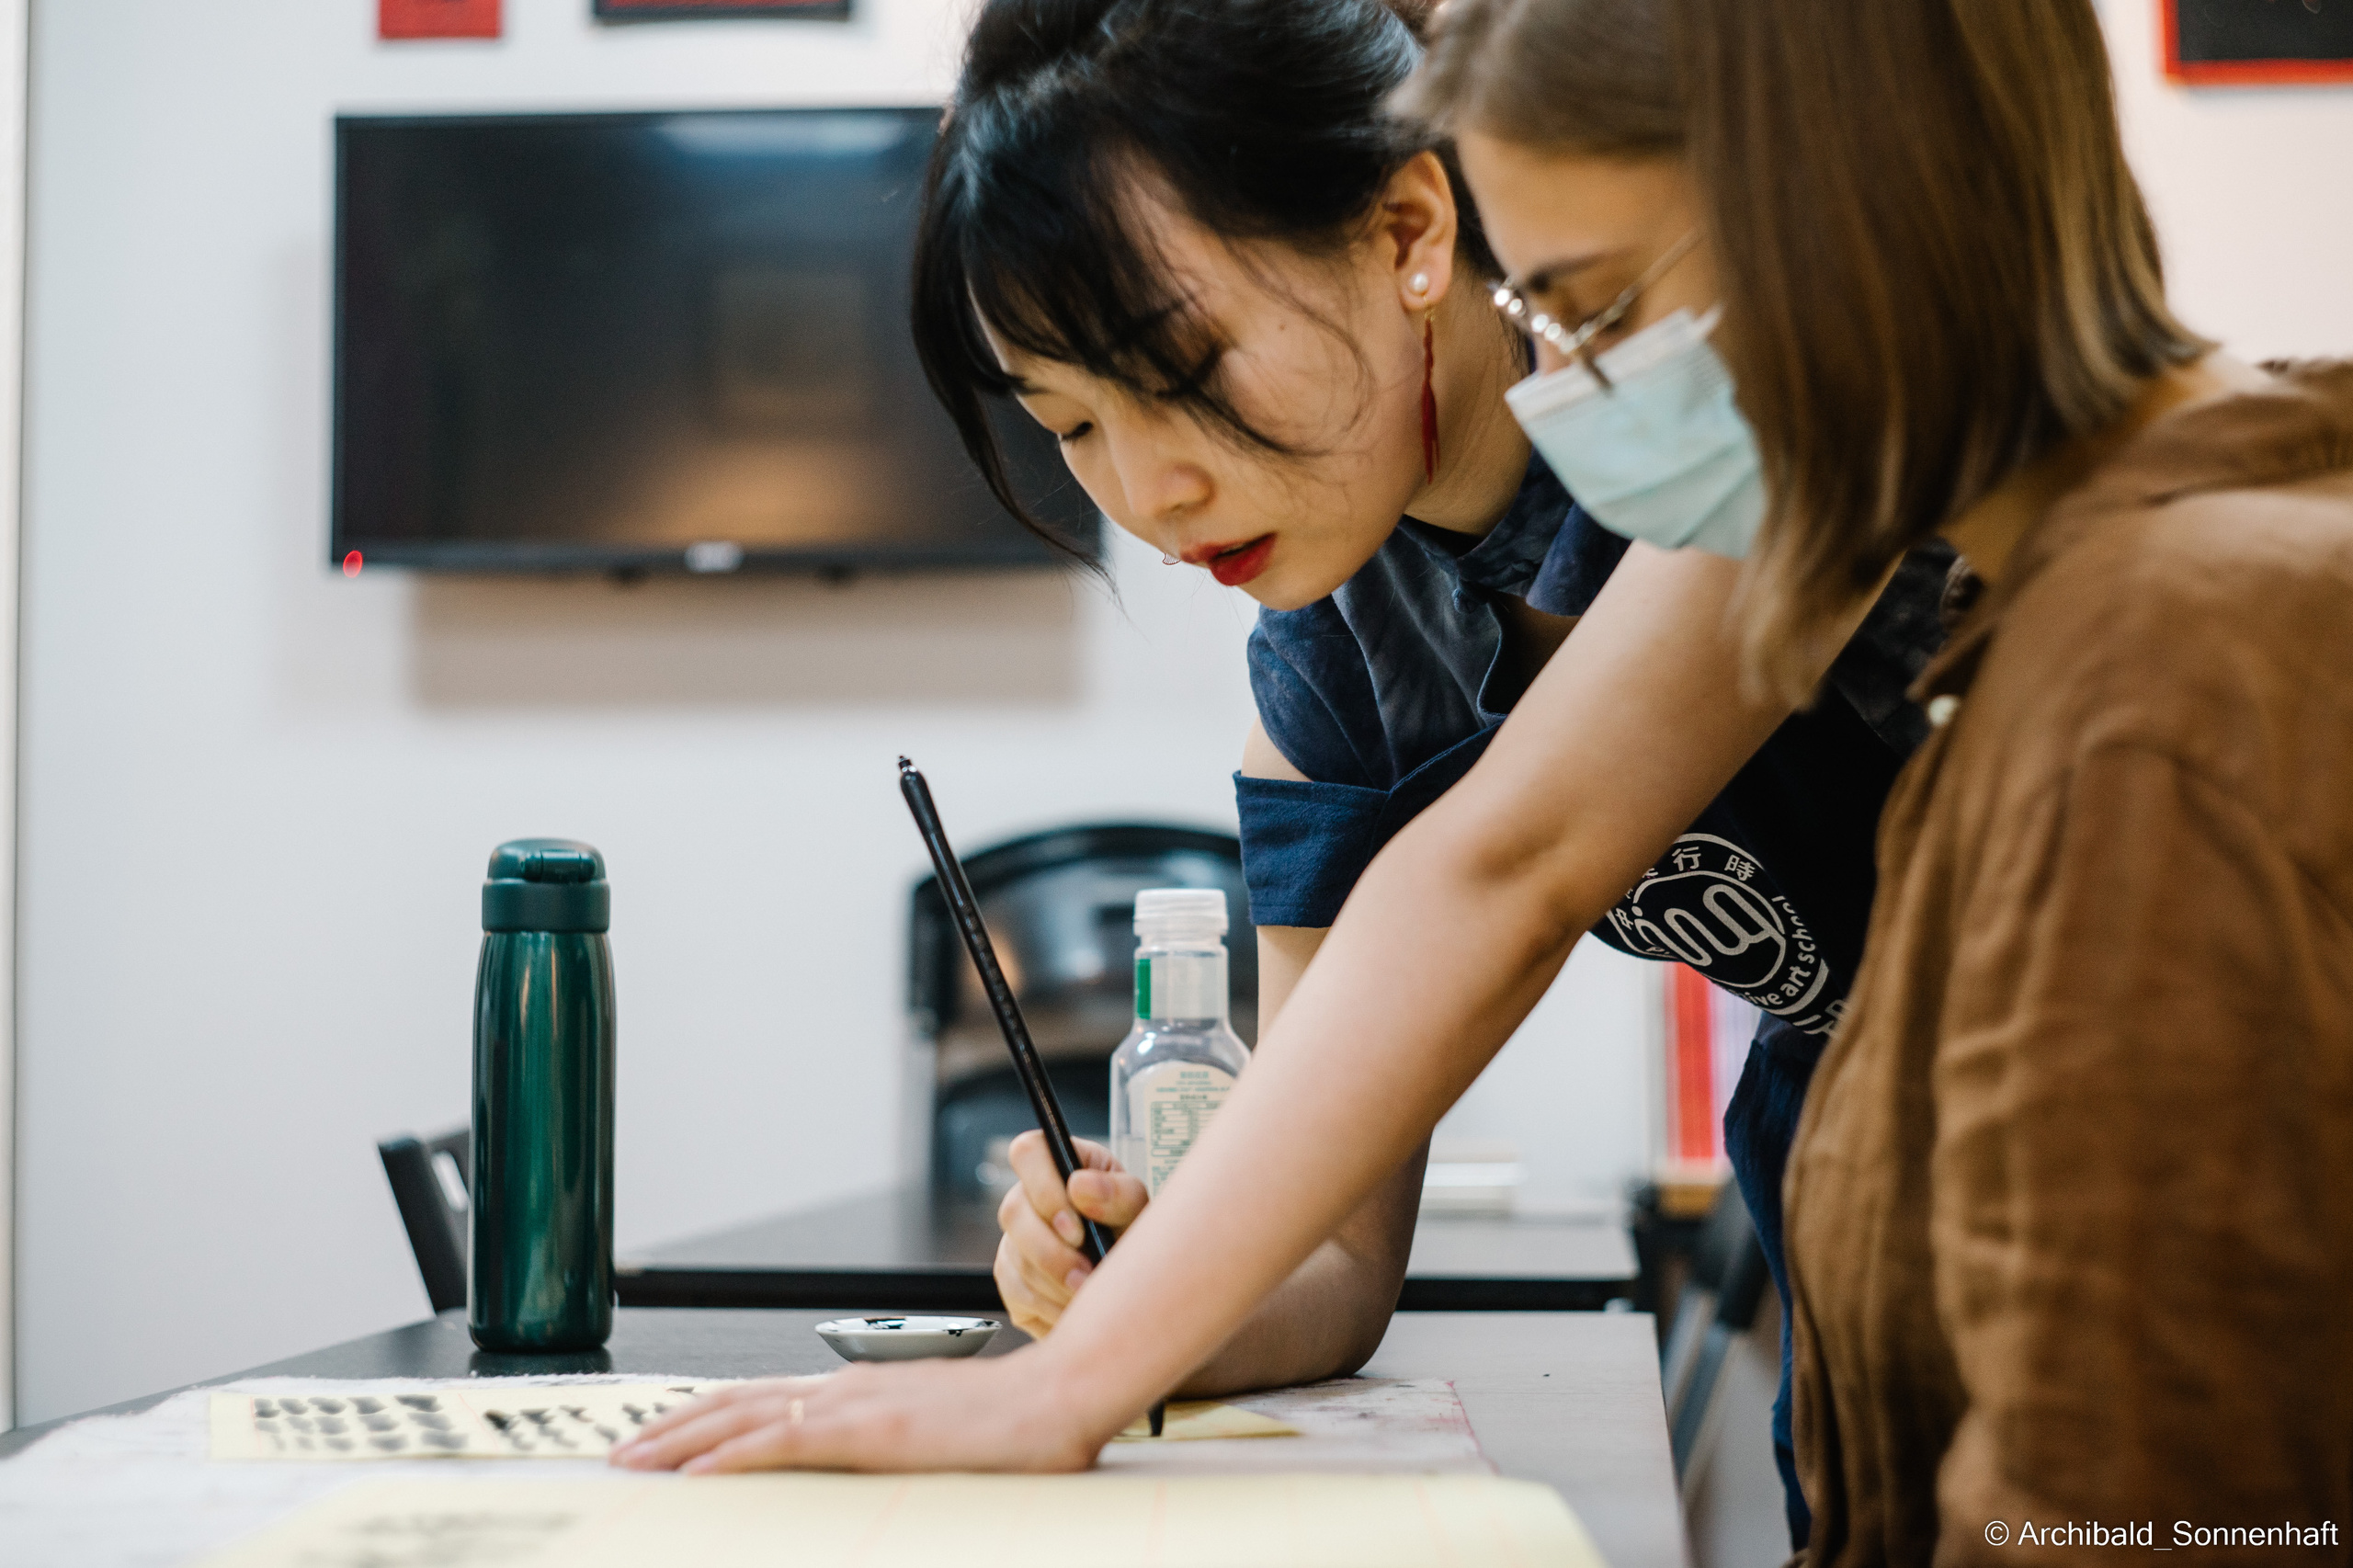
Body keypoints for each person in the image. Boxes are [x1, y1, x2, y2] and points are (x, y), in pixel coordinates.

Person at [613, 0, 2345, 1533]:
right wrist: (1155, 1279)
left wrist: (1062, 1393)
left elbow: (1506, 870)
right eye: (1069, 428)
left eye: (1183, 369)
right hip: (1875, 1192)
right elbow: (1336, 1253)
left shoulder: (1777, 459)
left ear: (1418, 235)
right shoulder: (1340, 653)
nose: (1142, 495)